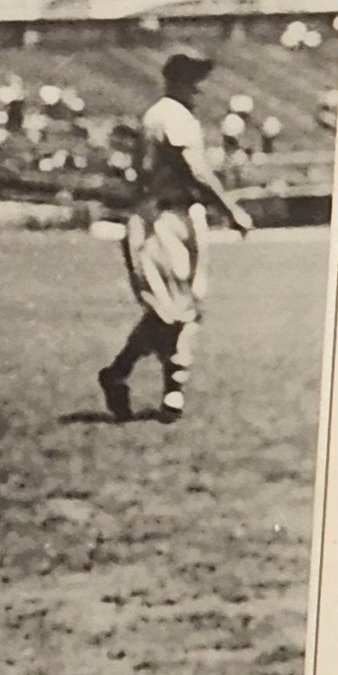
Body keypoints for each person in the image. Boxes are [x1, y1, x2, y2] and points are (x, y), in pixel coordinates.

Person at [98, 51, 252, 424]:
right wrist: (231, 209)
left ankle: (127, 376)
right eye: (194, 78)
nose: (199, 87)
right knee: (173, 310)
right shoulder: (170, 114)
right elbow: (195, 170)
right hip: (163, 217)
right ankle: (166, 389)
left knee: (183, 306)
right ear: (177, 79)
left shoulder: (173, 114)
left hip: (181, 214)